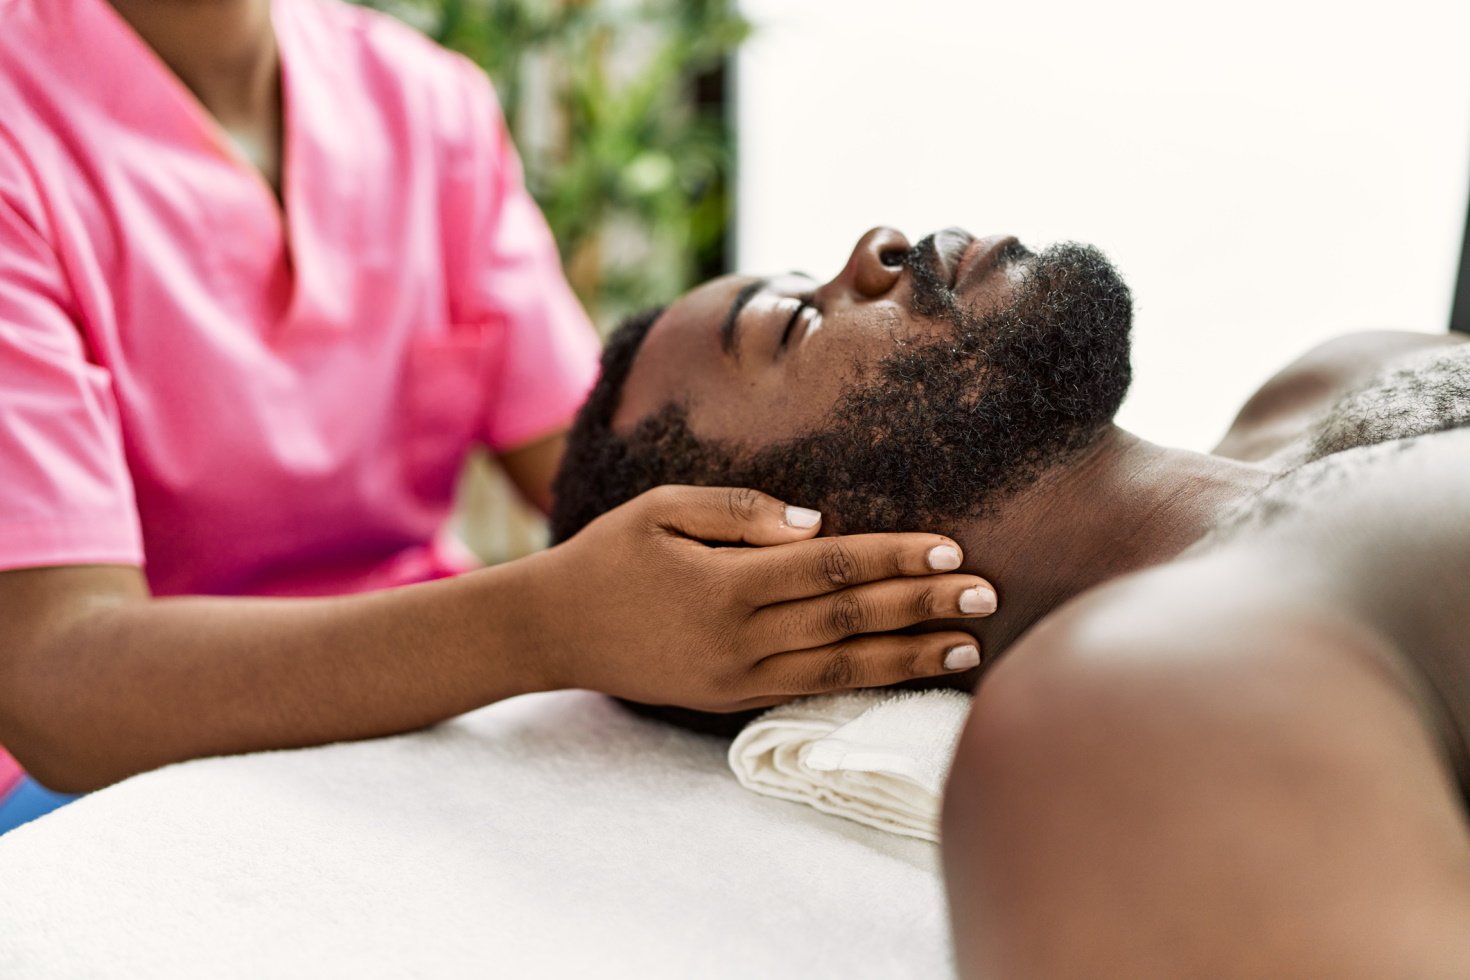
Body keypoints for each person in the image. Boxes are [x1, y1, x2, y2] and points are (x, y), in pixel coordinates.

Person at [0, 0, 997, 834]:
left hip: (434, 707)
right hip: (105, 761)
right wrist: (540, 624)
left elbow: (609, 458)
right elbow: (58, 683)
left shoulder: (424, 105)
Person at [548, 224, 1470, 974]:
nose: (878, 245)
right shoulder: (1121, 706)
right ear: (762, 566)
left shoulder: (1341, 372)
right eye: (792, 321)